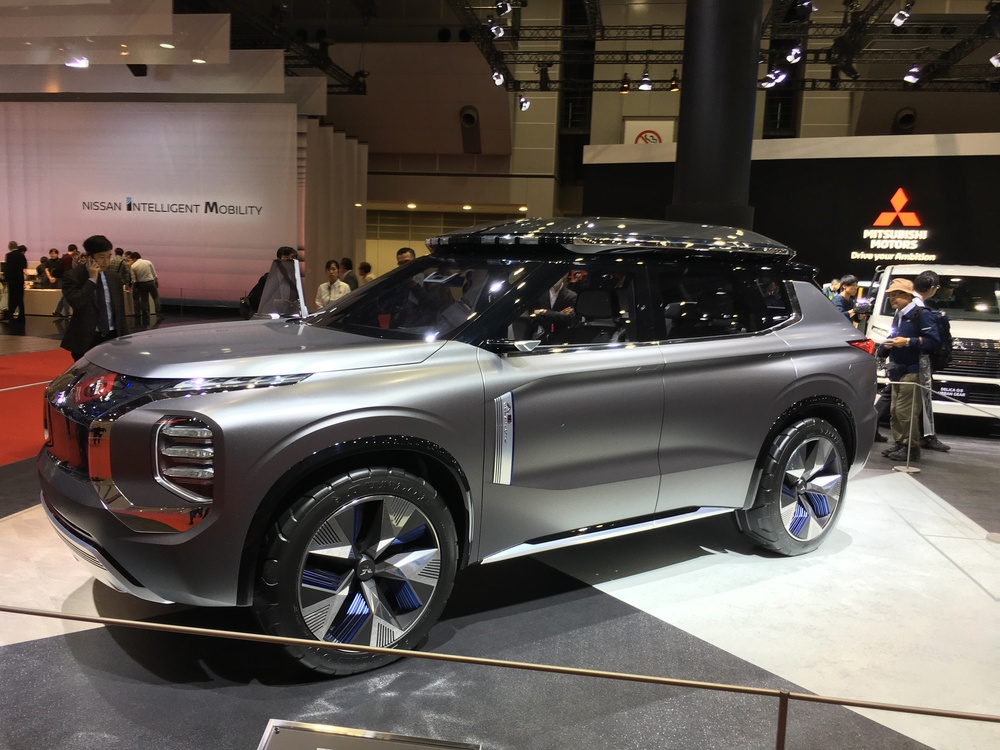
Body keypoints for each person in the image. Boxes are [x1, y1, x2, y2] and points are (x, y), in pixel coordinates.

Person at [880, 278, 939, 462]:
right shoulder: (899, 315)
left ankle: (911, 448)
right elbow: (895, 334)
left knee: (906, 412)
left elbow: (933, 341)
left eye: (896, 294)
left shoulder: (921, 314)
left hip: (914, 370)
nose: (892, 299)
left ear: (907, 295)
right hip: (897, 370)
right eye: (890, 295)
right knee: (895, 411)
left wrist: (907, 342)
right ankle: (900, 443)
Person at [60, 235, 129, 361]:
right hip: (87, 337)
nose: (106, 262)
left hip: (113, 335)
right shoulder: (73, 276)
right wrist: (91, 280)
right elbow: (76, 302)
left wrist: (125, 337)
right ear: (89, 257)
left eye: (109, 256)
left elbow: (119, 310)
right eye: (101, 257)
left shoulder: (114, 277)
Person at [912, 270, 950, 452]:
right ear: (933, 288)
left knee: (894, 395)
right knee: (924, 395)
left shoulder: (909, 304)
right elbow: (930, 339)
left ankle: (926, 436)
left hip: (908, 358)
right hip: (920, 359)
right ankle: (927, 436)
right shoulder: (921, 309)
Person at [247, 246, 298, 312]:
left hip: (289, 314)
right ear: (279, 260)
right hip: (270, 314)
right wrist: (275, 302)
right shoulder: (268, 279)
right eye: (287, 258)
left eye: (293, 258)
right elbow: (256, 299)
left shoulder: (295, 279)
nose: (290, 261)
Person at [532, 274, 577, 340]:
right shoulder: (539, 293)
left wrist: (545, 312)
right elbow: (532, 312)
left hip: (561, 335)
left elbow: (570, 318)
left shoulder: (571, 296)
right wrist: (560, 314)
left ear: (565, 275)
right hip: (540, 333)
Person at [126, 251, 161, 319]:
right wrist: (156, 281)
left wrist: (134, 286)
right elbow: (154, 273)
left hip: (142, 284)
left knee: (144, 300)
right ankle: (159, 313)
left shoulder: (133, 266)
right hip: (151, 282)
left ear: (134, 258)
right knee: (155, 298)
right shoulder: (148, 262)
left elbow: (134, 279)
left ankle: (145, 314)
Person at [3, 243, 28, 320]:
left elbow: (8, 268)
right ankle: (21, 314)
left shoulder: (9, 255)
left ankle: (10, 314)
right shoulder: (21, 255)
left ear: (10, 247)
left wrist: (5, 278)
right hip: (20, 280)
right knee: (20, 298)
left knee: (12, 297)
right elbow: (24, 266)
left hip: (12, 280)